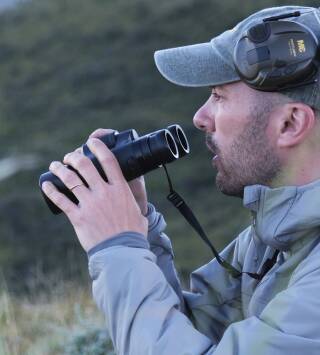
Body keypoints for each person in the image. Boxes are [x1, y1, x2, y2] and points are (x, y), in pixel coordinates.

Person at [42, 5, 320, 354]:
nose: (200, 117)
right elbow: (191, 333)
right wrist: (140, 229)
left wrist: (118, 250)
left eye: (218, 96)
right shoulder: (276, 237)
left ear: (290, 124)